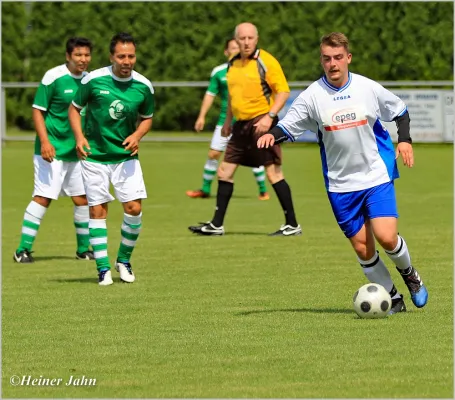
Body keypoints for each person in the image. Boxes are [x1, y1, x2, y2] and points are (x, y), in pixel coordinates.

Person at [257, 32, 428, 314]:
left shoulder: (367, 88)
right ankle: (392, 298)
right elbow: (288, 126)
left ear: (348, 58)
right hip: (340, 184)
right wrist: (270, 136)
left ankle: (410, 275)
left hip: (376, 175)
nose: (333, 63)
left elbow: (400, 110)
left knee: (386, 236)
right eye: (327, 58)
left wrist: (405, 140)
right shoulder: (312, 96)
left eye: (338, 57)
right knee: (363, 249)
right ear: (322, 60)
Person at [189, 22, 301, 236]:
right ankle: (216, 225)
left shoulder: (266, 61)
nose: (246, 42)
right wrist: (228, 122)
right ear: (236, 41)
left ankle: (292, 224)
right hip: (240, 126)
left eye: (250, 38)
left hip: (262, 123)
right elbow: (232, 96)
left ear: (256, 39)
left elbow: (283, 91)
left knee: (273, 173)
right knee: (224, 171)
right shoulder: (232, 63)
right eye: (242, 38)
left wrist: (269, 117)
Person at [68, 32, 155, 286]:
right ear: (111, 57)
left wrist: (138, 134)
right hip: (95, 156)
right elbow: (74, 109)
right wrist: (79, 137)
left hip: (125, 157)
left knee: (134, 209)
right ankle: (103, 268)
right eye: (121, 56)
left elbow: (147, 117)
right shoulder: (93, 80)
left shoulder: (143, 85)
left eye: (131, 56)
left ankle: (124, 260)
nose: (126, 61)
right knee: (97, 210)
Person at [13, 37, 94, 264]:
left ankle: (82, 250)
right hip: (51, 151)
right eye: (78, 55)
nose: (83, 59)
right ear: (68, 56)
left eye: (86, 55)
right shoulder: (54, 76)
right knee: (43, 197)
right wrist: (45, 142)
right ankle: (22, 249)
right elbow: (38, 111)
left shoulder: (91, 80)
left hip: (77, 152)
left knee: (82, 199)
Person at [186, 38, 269, 201]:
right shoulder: (219, 72)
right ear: (226, 52)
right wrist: (201, 116)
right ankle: (205, 189)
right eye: (232, 48)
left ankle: (263, 190)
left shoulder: (252, 69)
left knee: (254, 155)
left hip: (248, 121)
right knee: (213, 154)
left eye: (238, 48)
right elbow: (210, 94)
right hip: (225, 122)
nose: (236, 51)